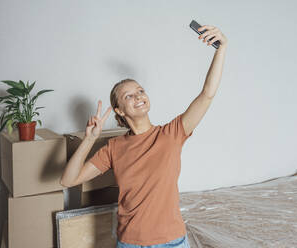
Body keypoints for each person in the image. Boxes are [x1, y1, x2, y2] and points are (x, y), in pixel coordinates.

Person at [60, 24, 228, 248]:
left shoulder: (172, 134)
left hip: (173, 242)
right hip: (130, 242)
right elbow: (68, 180)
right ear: (119, 110)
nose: (138, 96)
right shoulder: (114, 148)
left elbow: (207, 94)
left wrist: (221, 49)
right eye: (129, 96)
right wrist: (89, 138)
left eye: (140, 91)